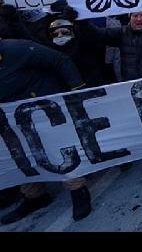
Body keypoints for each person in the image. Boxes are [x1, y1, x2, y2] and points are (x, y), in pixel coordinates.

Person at [0, 34, 92, 224]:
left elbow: (59, 60)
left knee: (58, 150)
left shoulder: (17, 48)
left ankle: (77, 189)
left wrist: (78, 92)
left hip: (42, 108)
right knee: (18, 156)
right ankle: (34, 196)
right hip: (9, 117)